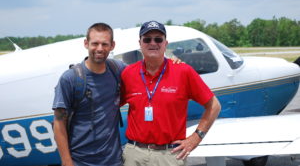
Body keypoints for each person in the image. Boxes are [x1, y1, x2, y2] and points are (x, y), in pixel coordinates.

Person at [120, 20, 221, 166]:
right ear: (140, 43)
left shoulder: (183, 71)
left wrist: (196, 138)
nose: (153, 43)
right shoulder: (128, 73)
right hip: (135, 154)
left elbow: (214, 106)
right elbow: (110, 105)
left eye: (158, 39)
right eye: (147, 39)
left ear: (165, 43)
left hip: (170, 155)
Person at [52, 23, 126, 166]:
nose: (99, 49)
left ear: (112, 46)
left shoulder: (117, 69)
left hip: (114, 161)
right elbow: (59, 123)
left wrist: (173, 64)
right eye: (95, 43)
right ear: (86, 44)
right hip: (81, 161)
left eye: (105, 44)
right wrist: (67, 162)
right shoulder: (70, 78)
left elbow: (145, 71)